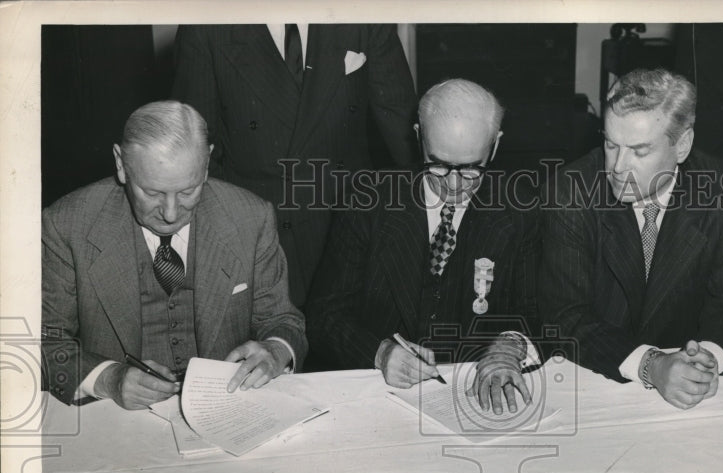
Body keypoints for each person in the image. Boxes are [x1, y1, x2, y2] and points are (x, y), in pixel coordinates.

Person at [42, 100, 307, 410]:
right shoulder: (67, 225)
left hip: (228, 407)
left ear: (206, 164)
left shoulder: (250, 217)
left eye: (187, 191)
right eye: (152, 193)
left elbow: (282, 320)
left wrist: (275, 350)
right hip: (115, 415)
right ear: (121, 164)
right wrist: (108, 379)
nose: (170, 213)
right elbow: (41, 342)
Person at [305, 78, 539, 414]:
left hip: (472, 400)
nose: (454, 184)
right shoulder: (367, 202)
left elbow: (537, 313)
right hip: (375, 398)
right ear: (418, 137)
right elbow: (322, 315)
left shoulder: (521, 213)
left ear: (495, 144)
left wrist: (511, 345)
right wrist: (379, 352)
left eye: (472, 168)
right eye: (438, 164)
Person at [539, 67, 723, 410]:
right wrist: (652, 365)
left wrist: (705, 362)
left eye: (639, 151)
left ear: (682, 145)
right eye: (611, 145)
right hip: (598, 381)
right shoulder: (570, 191)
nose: (618, 167)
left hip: (692, 385)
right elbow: (565, 314)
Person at [172, 24, 418, 308]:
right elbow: (195, 152)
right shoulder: (206, 27)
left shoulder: (363, 16)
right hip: (261, 242)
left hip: (347, 237)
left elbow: (406, 140)